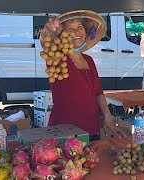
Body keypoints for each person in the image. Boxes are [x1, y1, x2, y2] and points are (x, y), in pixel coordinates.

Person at [41, 10, 126, 140]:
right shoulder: (58, 59)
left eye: (80, 27)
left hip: (91, 130)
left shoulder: (89, 60)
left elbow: (98, 92)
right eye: (70, 28)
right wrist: (50, 29)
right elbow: (48, 42)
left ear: (85, 32)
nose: (76, 32)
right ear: (62, 35)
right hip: (64, 133)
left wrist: (108, 118)